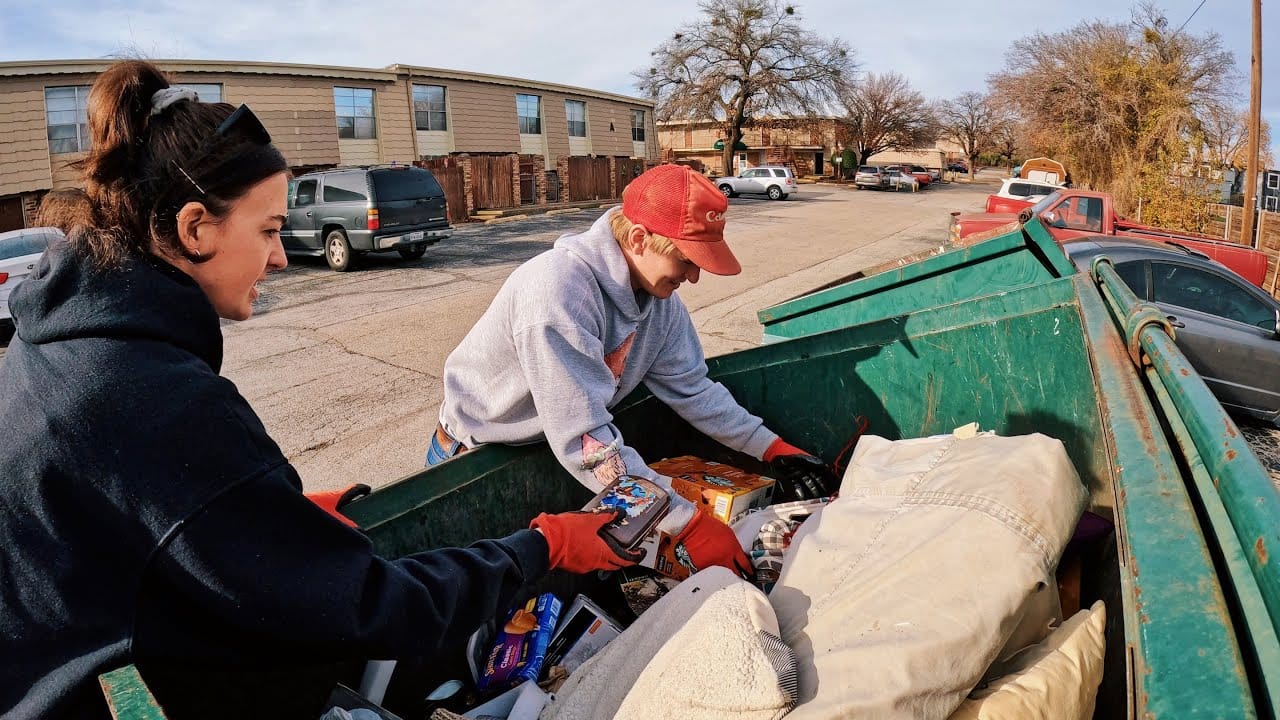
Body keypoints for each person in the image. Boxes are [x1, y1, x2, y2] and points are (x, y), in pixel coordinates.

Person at [0, 60, 638, 720]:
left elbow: (120, 521)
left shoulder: (58, 342)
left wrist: (258, 516)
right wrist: (543, 545)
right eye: (269, 230)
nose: (280, 258)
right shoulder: (154, 398)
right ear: (194, 229)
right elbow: (364, 608)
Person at [427, 164, 839, 578]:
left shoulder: (660, 305)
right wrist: (685, 524)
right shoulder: (557, 294)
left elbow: (694, 390)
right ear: (639, 239)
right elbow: (588, 444)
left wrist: (770, 447)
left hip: (552, 449)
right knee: (482, 596)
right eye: (686, 259)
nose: (693, 277)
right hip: (476, 459)